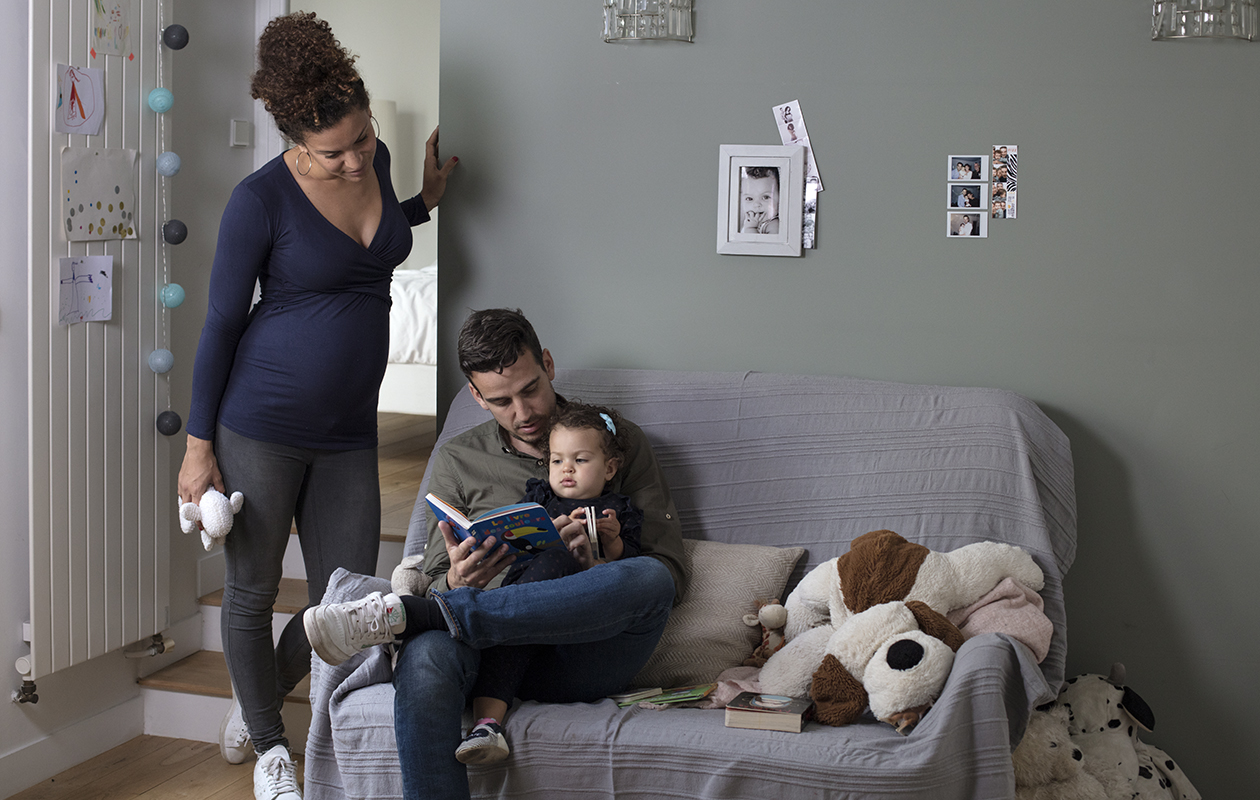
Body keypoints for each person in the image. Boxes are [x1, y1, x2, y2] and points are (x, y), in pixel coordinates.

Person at [176, 12, 456, 800]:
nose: (355, 158)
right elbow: (223, 323)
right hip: (259, 420)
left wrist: (424, 201)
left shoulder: (376, 157)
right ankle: (272, 746)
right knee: (254, 589)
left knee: (352, 595)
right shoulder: (257, 200)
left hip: (347, 430)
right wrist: (200, 446)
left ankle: (254, 693)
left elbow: (374, 239)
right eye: (334, 151)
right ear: (294, 141)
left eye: (362, 139)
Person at [303, 308, 686, 800]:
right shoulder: (459, 459)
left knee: (649, 579)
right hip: (482, 654)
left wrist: (599, 564)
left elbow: (670, 573)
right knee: (423, 661)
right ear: (476, 396)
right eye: (501, 401)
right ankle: (442, 614)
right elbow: (435, 572)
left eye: (530, 389)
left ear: (547, 363)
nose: (523, 414)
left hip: (577, 651)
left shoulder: (614, 441)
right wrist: (458, 581)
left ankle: (419, 616)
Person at [454, 401, 643, 764]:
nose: (566, 469)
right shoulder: (540, 501)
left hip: (576, 624)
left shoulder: (616, 513)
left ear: (610, 468)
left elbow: (632, 574)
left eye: (581, 460)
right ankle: (486, 726)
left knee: (565, 565)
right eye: (557, 461)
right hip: (521, 611)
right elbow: (515, 551)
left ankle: (458, 616)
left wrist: (612, 543)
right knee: (508, 645)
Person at [740, 166, 780, 234]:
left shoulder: (773, 225)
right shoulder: (746, 221)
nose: (757, 204)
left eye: (765, 197)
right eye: (749, 199)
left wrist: (751, 228)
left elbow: (755, 244)